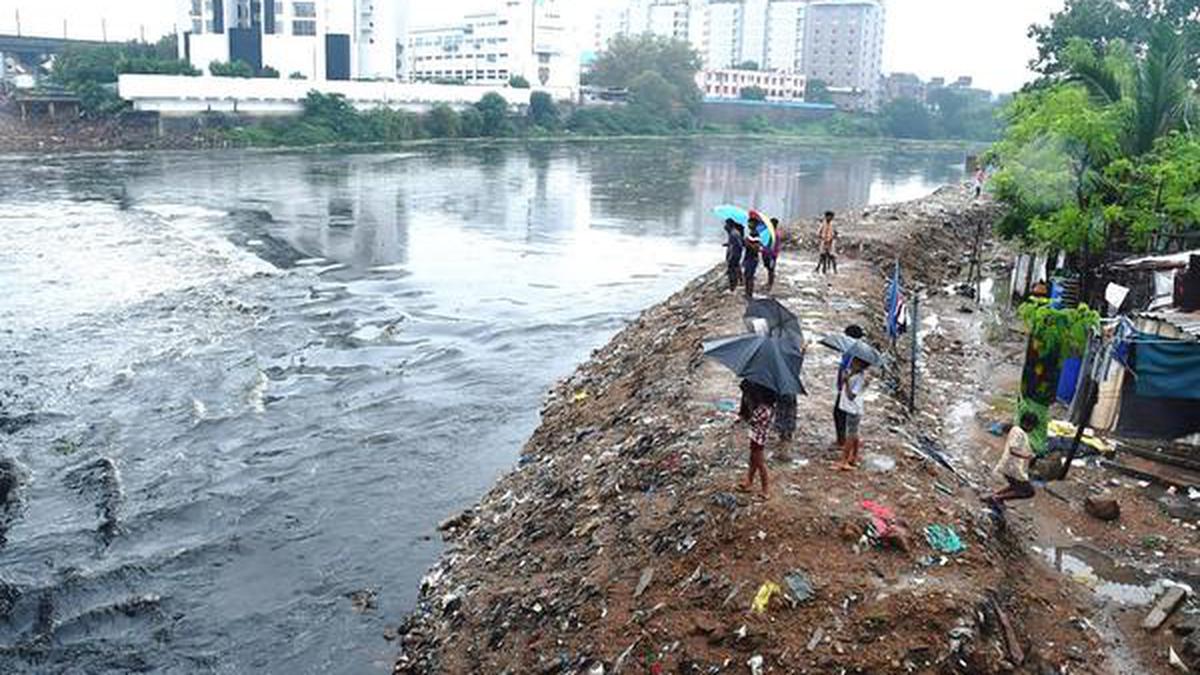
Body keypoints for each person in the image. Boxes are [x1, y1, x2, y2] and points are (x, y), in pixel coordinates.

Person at [986, 412, 1039, 509]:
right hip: (1013, 467)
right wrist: (1028, 456)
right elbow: (1013, 449)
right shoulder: (1018, 432)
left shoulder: (1019, 432)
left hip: (1013, 466)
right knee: (1028, 491)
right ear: (1029, 425)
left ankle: (994, 497)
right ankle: (997, 498)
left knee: (1016, 486)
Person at [739, 380, 777, 499]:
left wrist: (748, 405)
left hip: (758, 440)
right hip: (756, 437)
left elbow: (752, 419)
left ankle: (766, 490)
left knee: (760, 464)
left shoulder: (763, 410)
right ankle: (748, 482)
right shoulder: (767, 407)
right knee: (753, 461)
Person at [832, 325, 865, 449]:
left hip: (848, 387)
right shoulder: (852, 350)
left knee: (840, 414)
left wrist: (844, 381)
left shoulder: (853, 352)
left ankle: (843, 442)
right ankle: (844, 441)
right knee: (842, 414)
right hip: (845, 386)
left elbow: (853, 370)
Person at [836, 357, 869, 471]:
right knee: (854, 433)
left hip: (854, 409)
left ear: (860, 365)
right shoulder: (853, 375)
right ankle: (854, 457)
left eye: (854, 362)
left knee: (850, 435)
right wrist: (845, 378)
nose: (851, 364)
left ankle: (844, 460)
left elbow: (851, 396)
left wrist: (846, 382)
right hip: (851, 408)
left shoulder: (860, 379)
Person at [723, 219, 745, 292]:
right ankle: (736, 284)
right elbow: (735, 243)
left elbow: (737, 245)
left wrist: (731, 257)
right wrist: (728, 244)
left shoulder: (733, 234)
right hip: (735, 255)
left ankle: (733, 288)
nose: (725, 226)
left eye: (726, 225)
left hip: (734, 255)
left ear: (729, 225)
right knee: (734, 269)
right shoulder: (734, 233)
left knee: (732, 271)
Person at [763, 217, 783, 292]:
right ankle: (769, 283)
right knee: (769, 269)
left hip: (772, 255)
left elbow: (775, 246)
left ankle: (770, 284)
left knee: (771, 269)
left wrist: (773, 254)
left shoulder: (775, 234)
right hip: (768, 254)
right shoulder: (770, 233)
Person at [742, 230, 761, 300]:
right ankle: (747, 292)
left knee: (750, 277)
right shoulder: (749, 241)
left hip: (752, 261)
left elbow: (756, 249)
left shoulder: (757, 243)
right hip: (748, 260)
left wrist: (749, 244)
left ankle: (749, 293)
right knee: (747, 276)